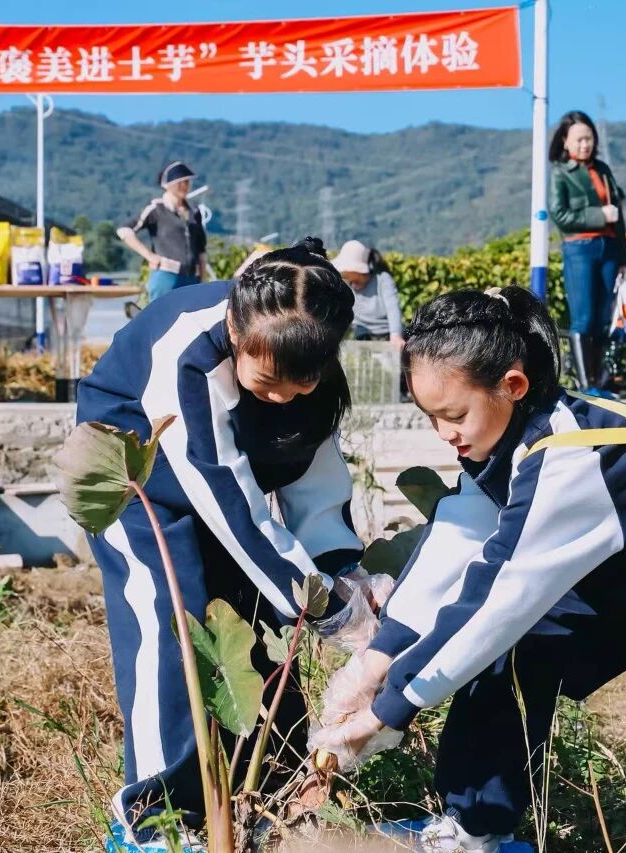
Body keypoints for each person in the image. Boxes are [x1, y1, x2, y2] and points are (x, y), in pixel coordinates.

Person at [310, 286, 626, 853]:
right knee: (502, 661)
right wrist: (373, 662)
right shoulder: (508, 441)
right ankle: (475, 827)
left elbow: (497, 603)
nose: (444, 434)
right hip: (619, 583)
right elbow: (450, 551)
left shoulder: (570, 458)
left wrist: (384, 715)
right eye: (430, 417)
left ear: (512, 386)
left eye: (454, 415)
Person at [75, 237, 390, 852]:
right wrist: (320, 604)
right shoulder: (186, 354)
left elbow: (314, 483)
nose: (282, 398)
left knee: (249, 628)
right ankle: (152, 821)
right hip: (139, 477)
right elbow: (222, 493)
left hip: (229, 487)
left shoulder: (305, 357)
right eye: (267, 382)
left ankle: (269, 798)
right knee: (174, 624)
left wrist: (341, 573)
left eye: (300, 386)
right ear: (236, 331)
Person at [548, 110, 626, 396]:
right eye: (579, 139)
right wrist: (599, 215)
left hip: (609, 248)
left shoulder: (603, 169)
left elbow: (618, 215)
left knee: (605, 316)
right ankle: (586, 383)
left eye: (589, 138)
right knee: (583, 316)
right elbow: (560, 215)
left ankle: (604, 381)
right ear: (566, 142)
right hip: (579, 248)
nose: (585, 144)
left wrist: (624, 258)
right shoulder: (560, 172)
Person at [117, 161, 209, 304]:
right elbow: (124, 230)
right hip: (166, 276)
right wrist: (149, 256)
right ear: (168, 185)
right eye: (180, 182)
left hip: (192, 278)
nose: (185, 186)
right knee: (163, 321)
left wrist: (203, 280)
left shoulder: (194, 212)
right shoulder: (156, 210)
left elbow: (201, 249)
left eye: (187, 182)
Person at [331, 240, 405, 349]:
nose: (344, 273)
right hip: (362, 334)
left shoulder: (382, 279)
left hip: (386, 334)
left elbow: (393, 309)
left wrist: (396, 335)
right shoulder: (346, 284)